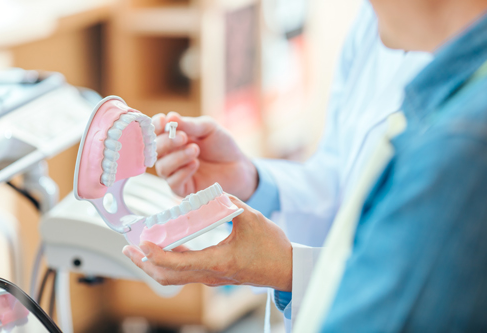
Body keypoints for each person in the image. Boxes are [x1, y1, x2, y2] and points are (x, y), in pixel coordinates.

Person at [122, 0, 441, 327]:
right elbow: (342, 178)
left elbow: (439, 290)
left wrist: (288, 269)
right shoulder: (373, 23)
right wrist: (251, 180)